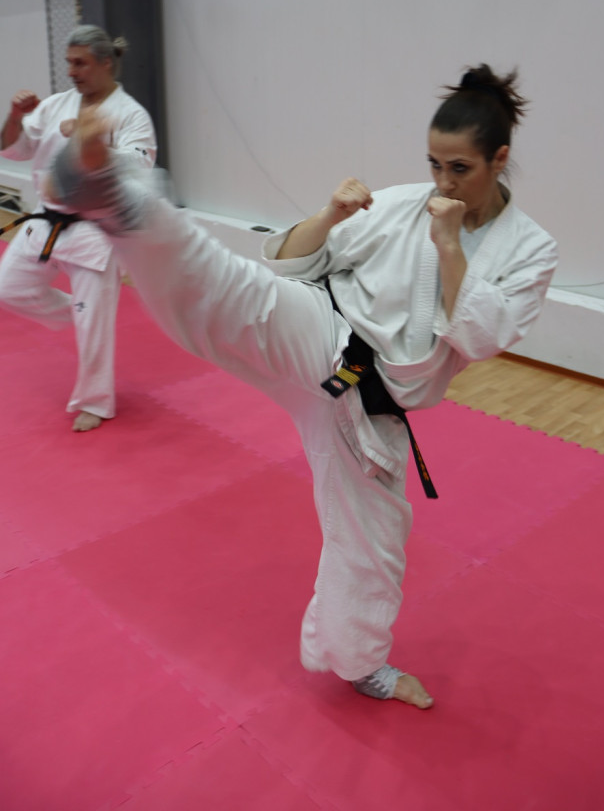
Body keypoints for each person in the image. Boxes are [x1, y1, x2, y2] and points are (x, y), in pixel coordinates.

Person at [47, 64, 557, 706]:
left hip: (371, 404)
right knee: (233, 290)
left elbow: (482, 336)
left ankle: (362, 665)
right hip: (324, 332)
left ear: (499, 159)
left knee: (373, 546)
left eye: (460, 168)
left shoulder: (530, 249)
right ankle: (118, 196)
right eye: (434, 164)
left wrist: (450, 245)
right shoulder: (402, 202)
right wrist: (332, 213)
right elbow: (293, 262)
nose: (443, 182)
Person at [0, 25, 156, 431]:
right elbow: (12, 148)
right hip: (47, 219)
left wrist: (91, 141)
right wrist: (15, 117)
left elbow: (139, 168)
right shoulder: (56, 105)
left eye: (80, 63)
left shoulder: (130, 114)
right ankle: (83, 312)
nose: (71, 71)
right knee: (8, 288)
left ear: (105, 63)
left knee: (93, 327)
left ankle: (96, 402)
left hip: (95, 230)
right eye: (69, 62)